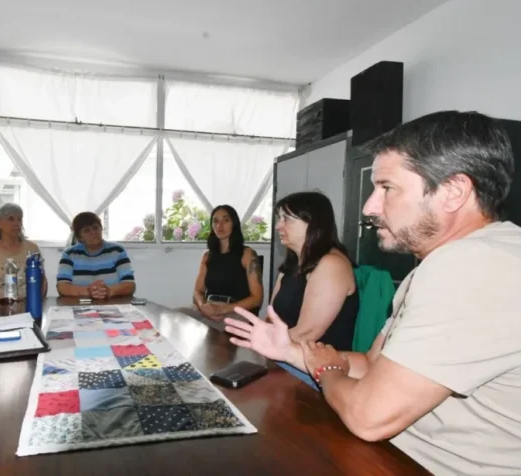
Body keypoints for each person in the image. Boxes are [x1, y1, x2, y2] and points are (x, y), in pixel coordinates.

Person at [224, 111, 521, 475]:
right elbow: (371, 365)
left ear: (454, 192)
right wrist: (289, 350)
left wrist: (327, 370)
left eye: (387, 188)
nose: (369, 207)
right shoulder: (444, 263)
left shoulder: (476, 265)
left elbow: (369, 416)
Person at [269, 192, 358, 350]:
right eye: (279, 218)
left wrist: (260, 343)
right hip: (285, 354)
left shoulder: (332, 264)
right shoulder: (290, 265)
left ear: (313, 223)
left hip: (316, 367)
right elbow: (271, 317)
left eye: (287, 219)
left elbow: (307, 334)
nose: (278, 226)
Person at [192, 205, 263, 319]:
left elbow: (257, 298)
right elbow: (198, 291)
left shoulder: (247, 254)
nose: (220, 225)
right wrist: (203, 307)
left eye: (226, 220)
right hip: (210, 309)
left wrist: (222, 309)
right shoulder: (207, 256)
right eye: (215, 221)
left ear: (234, 224)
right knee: (178, 317)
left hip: (235, 311)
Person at [56, 211, 135, 299]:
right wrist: (88, 292)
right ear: (80, 237)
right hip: (80, 306)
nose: (93, 232)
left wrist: (108, 291)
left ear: (101, 229)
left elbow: (129, 285)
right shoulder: (69, 254)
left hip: (113, 304)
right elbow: (62, 287)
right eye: (87, 230)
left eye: (95, 227)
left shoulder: (117, 251)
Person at [0, 203, 48, 304]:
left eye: (19, 219)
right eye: (11, 219)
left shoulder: (32, 248)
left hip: (29, 306)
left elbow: (42, 282)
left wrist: (36, 303)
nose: (17, 223)